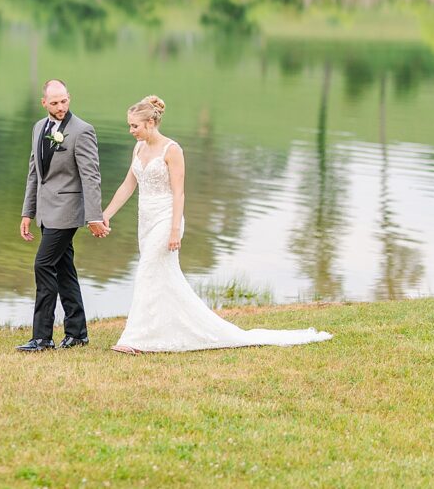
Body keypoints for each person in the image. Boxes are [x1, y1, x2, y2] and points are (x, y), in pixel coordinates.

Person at [102, 95, 332, 354]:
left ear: (151, 122)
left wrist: (175, 229)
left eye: (135, 126)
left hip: (168, 219)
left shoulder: (172, 150)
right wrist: (107, 213)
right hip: (146, 220)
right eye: (130, 125)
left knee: (146, 269)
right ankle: (163, 329)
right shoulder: (139, 149)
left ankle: (135, 339)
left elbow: (179, 193)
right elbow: (128, 185)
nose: (131, 131)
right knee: (161, 277)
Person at [17, 80, 109, 352]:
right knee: (64, 270)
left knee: (43, 265)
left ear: (69, 98)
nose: (60, 107)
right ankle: (77, 333)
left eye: (64, 101)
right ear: (44, 102)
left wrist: (94, 217)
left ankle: (43, 337)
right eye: (54, 103)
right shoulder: (38, 128)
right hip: (46, 213)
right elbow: (35, 173)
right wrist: (27, 212)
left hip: (68, 213)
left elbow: (91, 177)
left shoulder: (82, 131)